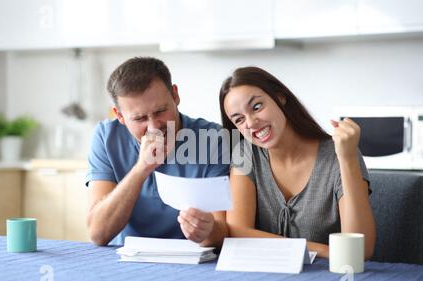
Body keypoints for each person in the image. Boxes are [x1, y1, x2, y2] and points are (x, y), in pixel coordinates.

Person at [219, 66, 376, 258]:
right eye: (239, 120)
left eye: (257, 107)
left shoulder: (339, 154)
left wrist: (348, 158)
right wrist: (323, 250)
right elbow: (236, 234)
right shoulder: (245, 155)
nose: (251, 123)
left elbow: (359, 251)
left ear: (280, 97)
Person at [86, 57, 229, 247]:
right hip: (129, 261)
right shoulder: (106, 137)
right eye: (139, 118)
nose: (154, 126)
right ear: (119, 115)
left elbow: (223, 233)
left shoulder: (215, 138)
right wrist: (141, 169)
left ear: (175, 95)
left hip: (196, 261)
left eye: (160, 111)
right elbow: (98, 234)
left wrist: (208, 230)